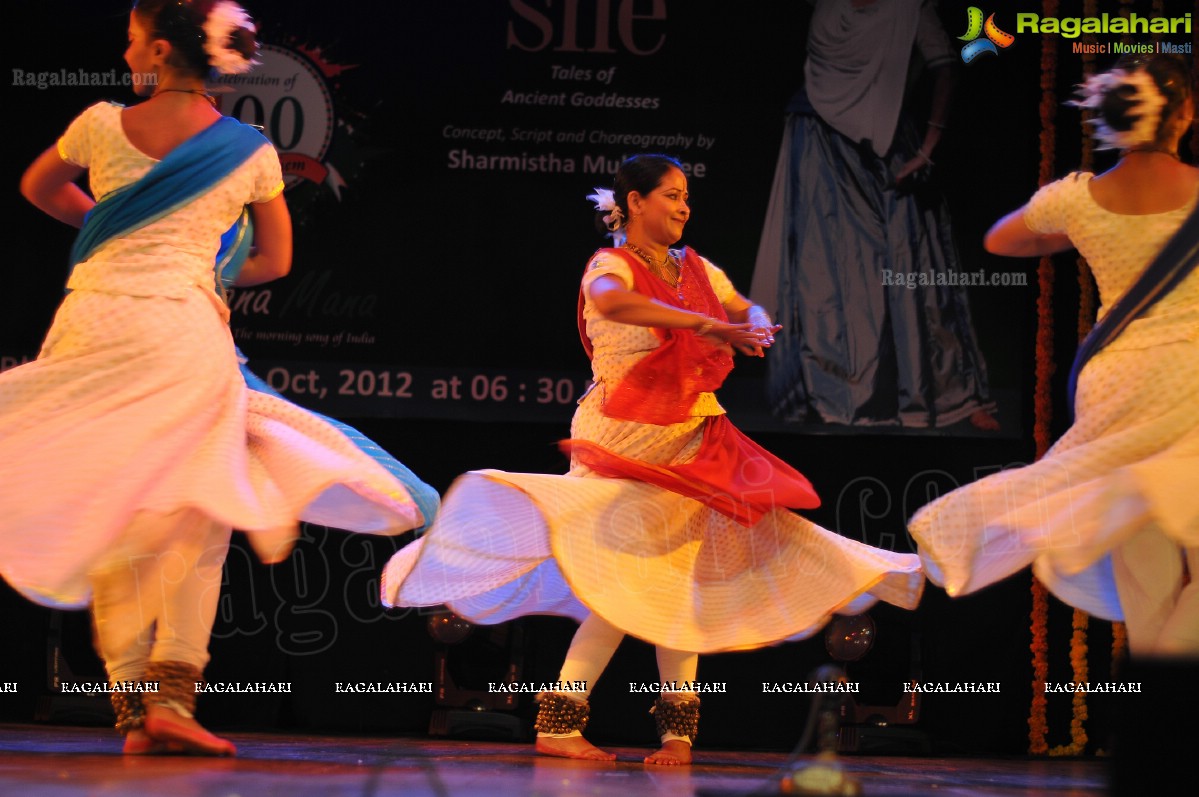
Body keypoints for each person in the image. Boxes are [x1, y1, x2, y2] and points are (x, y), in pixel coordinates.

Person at [383, 154, 924, 765]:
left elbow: (741, 304)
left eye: (687, 196)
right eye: (670, 194)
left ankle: (659, 734)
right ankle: (584, 727)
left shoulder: (694, 267)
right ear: (634, 202)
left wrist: (755, 322)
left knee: (671, 586)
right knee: (633, 586)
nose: (684, 206)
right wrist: (708, 326)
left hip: (690, 437)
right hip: (622, 443)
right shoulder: (609, 266)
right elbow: (616, 306)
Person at [0, 0, 432, 756]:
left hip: (95, 321)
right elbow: (275, 262)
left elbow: (39, 188)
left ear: (161, 51)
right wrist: (202, 259)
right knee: (199, 509)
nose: (125, 49)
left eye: (131, 38)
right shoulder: (251, 150)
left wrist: (112, 226)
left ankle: (133, 709)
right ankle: (173, 695)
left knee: (115, 503)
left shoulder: (99, 123)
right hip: (181, 328)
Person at [909, 54, 1199, 658]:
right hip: (1191, 373)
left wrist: (1085, 229)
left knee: (1142, 554)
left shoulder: (1081, 199)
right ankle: (1179, 680)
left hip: (1117, 377)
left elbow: (1002, 239)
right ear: (1186, 114)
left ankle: (1161, 719)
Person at [751, 0, 997, 430]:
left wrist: (928, 147)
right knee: (823, 274)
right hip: (819, 141)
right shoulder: (829, 6)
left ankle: (934, 394)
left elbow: (945, 67)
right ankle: (833, 393)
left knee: (906, 271)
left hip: (883, 148)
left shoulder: (908, 7)